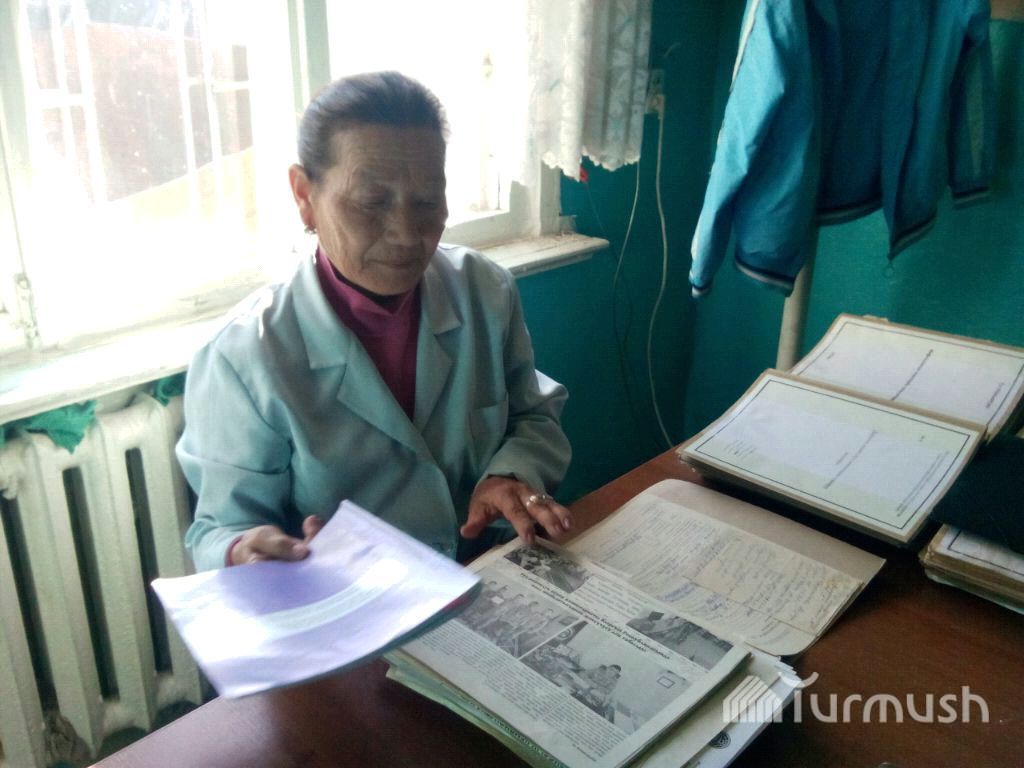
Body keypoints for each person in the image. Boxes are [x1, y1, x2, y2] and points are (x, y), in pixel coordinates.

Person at [177, 71, 572, 571]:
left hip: (484, 569)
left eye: (427, 201)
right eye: (371, 202)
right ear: (304, 196)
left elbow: (533, 415)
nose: (407, 234)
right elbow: (220, 529)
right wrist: (244, 550)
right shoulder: (244, 355)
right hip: (349, 598)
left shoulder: (484, 291)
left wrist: (509, 474)